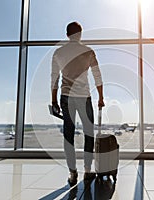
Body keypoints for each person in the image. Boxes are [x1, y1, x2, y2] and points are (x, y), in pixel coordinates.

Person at [51, 22, 105, 185]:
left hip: (66, 96)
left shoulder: (58, 52)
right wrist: (101, 97)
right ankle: (87, 171)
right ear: (80, 33)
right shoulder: (88, 51)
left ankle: (72, 172)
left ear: (67, 34)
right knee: (89, 132)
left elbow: (54, 78)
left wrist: (53, 99)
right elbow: (97, 75)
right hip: (84, 96)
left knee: (69, 135)